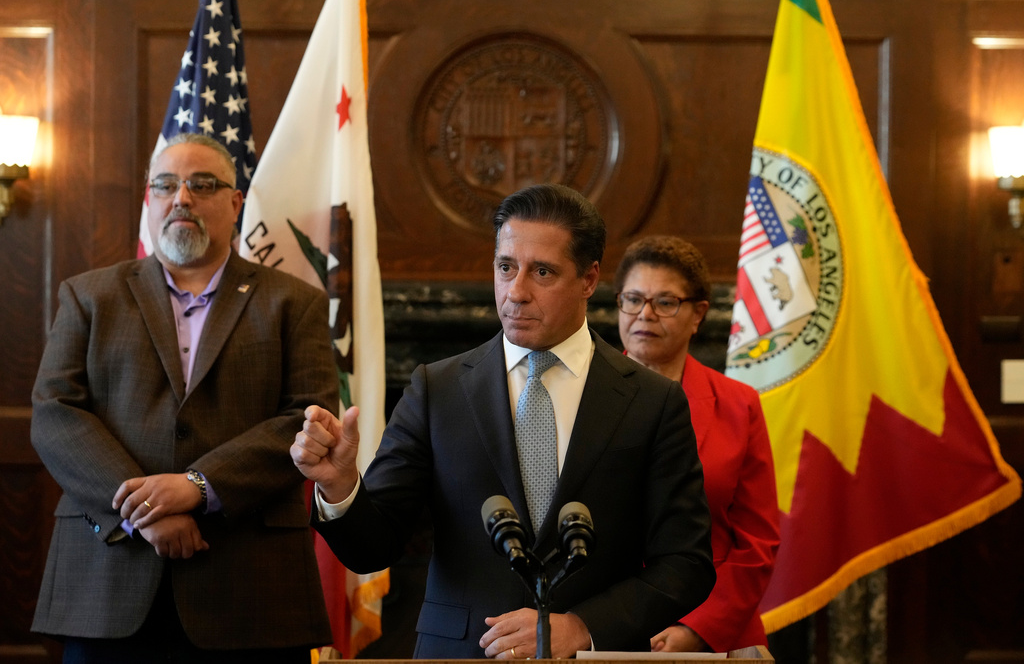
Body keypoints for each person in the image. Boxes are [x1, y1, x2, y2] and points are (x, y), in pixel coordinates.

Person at [291, 184, 715, 659]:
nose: (516, 291)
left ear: (590, 278)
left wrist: (583, 627)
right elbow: (374, 548)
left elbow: (686, 563)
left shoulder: (652, 401)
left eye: (542, 272)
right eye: (506, 267)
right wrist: (341, 487)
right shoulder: (438, 389)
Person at [30, 133, 336, 663]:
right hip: (109, 578)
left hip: (250, 588)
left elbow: (304, 421)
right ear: (149, 199)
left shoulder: (296, 302)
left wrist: (197, 487)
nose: (182, 198)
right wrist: (146, 508)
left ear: (235, 202)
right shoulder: (88, 295)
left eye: (202, 184)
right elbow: (56, 414)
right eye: (166, 185)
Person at [614, 235, 780, 653]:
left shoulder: (739, 405)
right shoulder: (578, 395)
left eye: (665, 302)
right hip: (605, 626)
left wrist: (699, 629)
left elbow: (757, 541)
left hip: (714, 630)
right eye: (633, 299)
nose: (644, 315)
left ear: (697, 314)